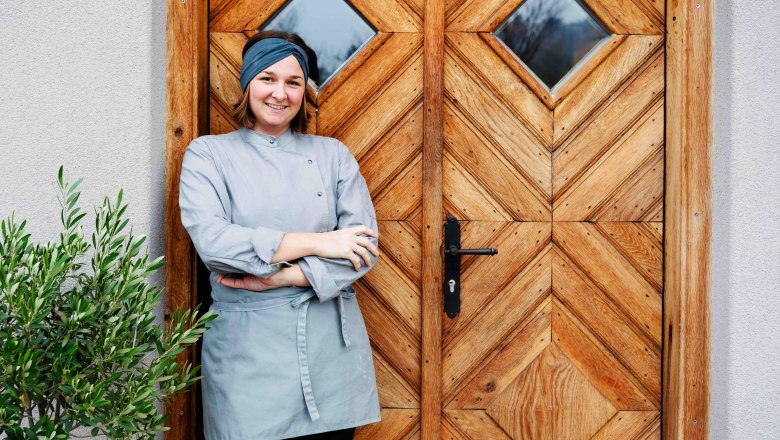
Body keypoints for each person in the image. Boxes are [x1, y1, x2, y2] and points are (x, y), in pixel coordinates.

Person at [179, 30, 381, 439]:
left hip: (330, 357)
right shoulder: (208, 155)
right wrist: (321, 242)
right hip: (248, 361)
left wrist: (284, 276)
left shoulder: (333, 155)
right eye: (267, 78)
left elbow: (362, 248)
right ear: (247, 83)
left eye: (293, 82)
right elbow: (216, 244)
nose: (280, 93)